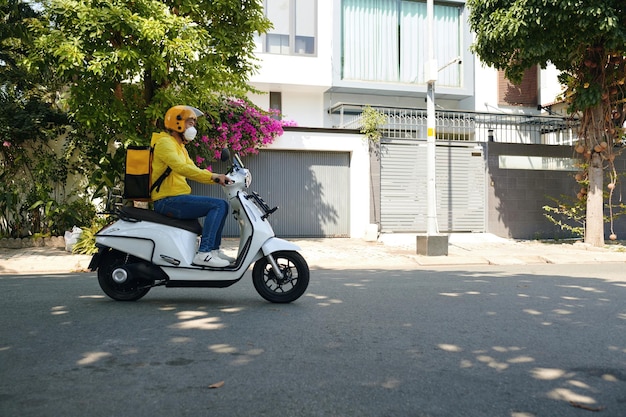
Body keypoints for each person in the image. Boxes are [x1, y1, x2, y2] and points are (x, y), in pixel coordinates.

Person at [151, 105, 234, 267]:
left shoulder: (180, 147)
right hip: (167, 200)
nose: (193, 128)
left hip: (176, 198)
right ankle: (204, 253)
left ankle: (213, 251)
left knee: (222, 205)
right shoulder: (164, 143)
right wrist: (214, 177)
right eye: (190, 123)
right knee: (217, 206)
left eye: (193, 124)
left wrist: (216, 178)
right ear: (177, 124)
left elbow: (193, 169)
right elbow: (182, 168)